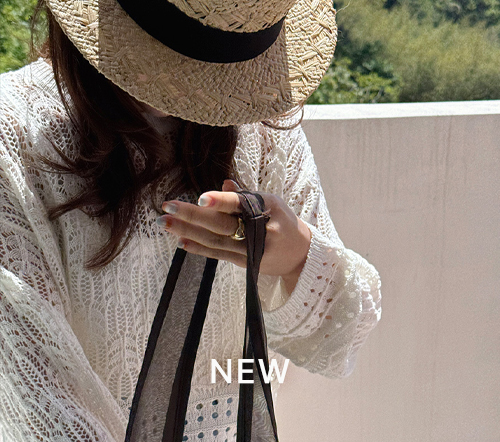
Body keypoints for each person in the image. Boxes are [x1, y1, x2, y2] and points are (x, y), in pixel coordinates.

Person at [0, 0, 382, 440]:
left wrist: (299, 257)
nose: (183, 89)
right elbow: (36, 400)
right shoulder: (15, 134)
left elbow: (344, 334)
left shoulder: (255, 124)